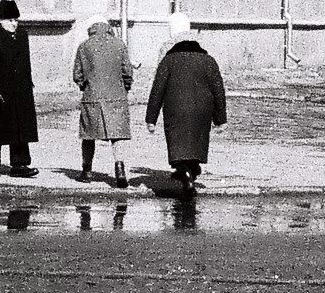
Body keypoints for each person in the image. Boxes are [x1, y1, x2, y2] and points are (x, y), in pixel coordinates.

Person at [145, 13, 227, 197]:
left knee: (178, 145)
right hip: (202, 109)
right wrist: (220, 119)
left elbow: (158, 88)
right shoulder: (208, 60)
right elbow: (218, 90)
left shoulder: (168, 59)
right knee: (195, 143)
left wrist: (151, 118)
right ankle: (190, 172)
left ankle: (186, 174)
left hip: (175, 107)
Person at [0, 0, 39, 178]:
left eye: (16, 20)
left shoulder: (22, 36)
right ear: (1, 20)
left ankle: (19, 165)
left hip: (20, 90)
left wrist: (28, 85)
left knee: (20, 127)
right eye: (10, 20)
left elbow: (25, 63)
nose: (14, 24)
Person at [72, 18, 134, 187]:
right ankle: (120, 169)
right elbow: (127, 71)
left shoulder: (84, 46)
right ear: (108, 28)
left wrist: (84, 85)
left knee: (88, 135)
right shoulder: (119, 45)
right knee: (117, 136)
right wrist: (125, 87)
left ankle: (86, 171)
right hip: (116, 96)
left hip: (92, 97)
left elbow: (77, 74)